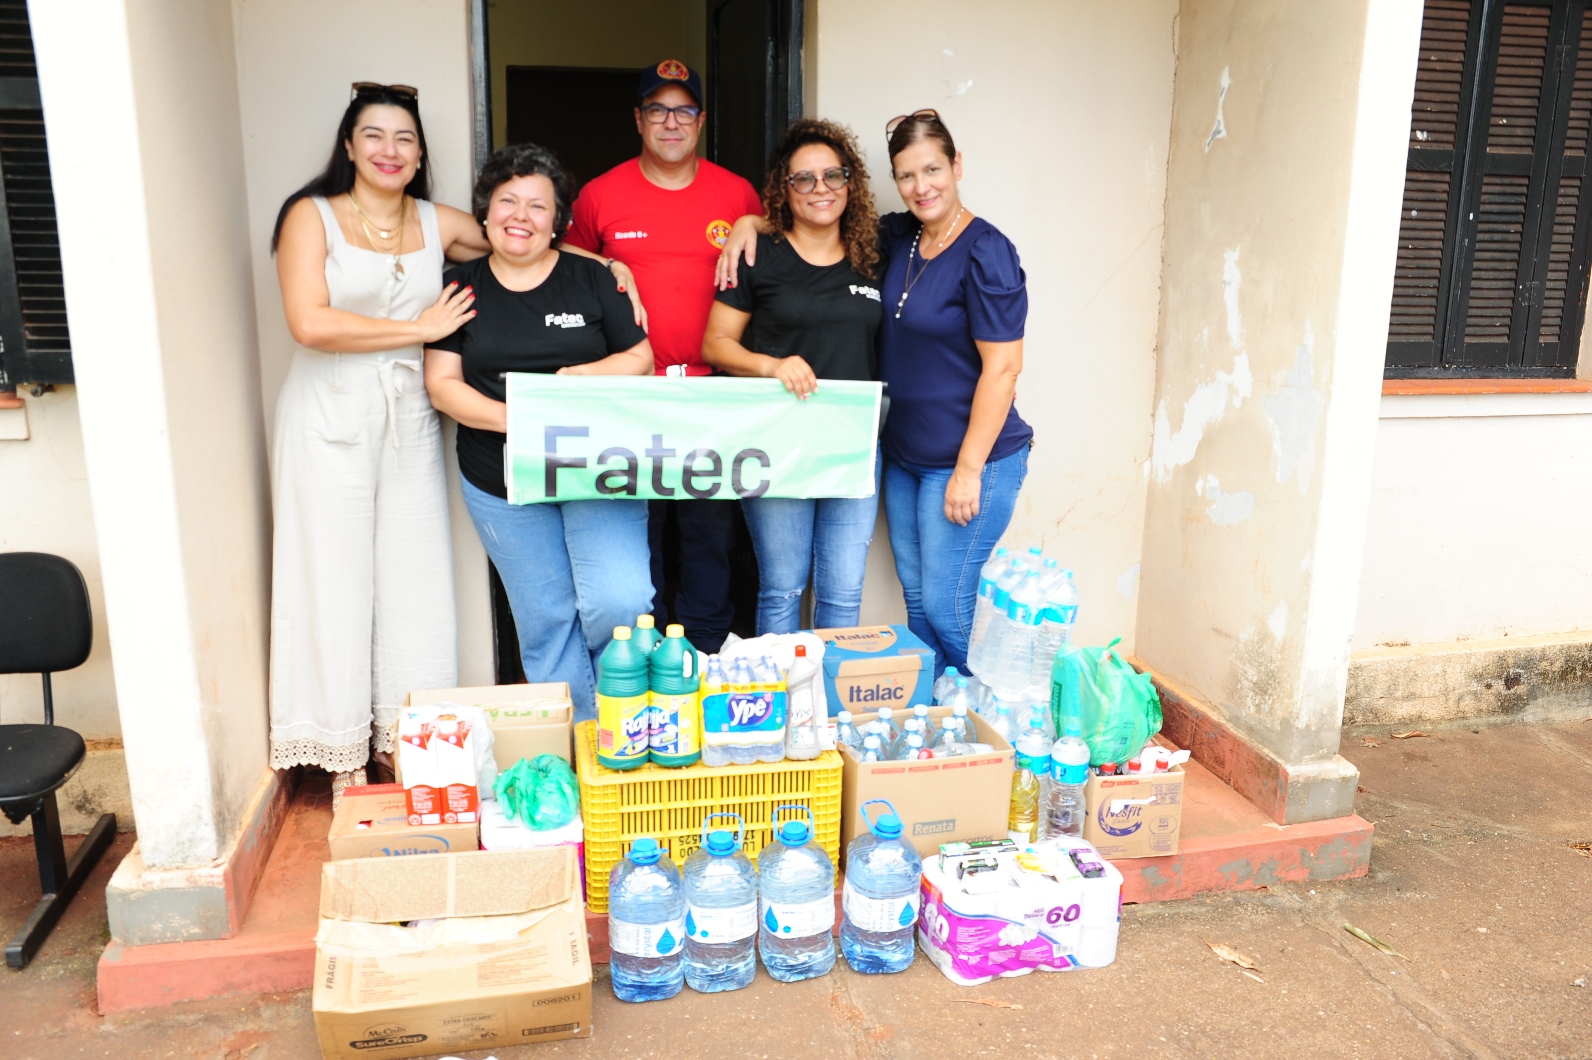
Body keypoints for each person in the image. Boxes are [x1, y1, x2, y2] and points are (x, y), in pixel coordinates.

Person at [718, 110, 1029, 672]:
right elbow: (811, 218)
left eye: (933, 169)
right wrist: (748, 222)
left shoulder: (986, 250)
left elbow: (1004, 368)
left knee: (944, 602)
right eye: (907, 176)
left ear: (957, 166)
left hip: (960, 459)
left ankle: (1002, 708)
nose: (921, 186)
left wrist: (968, 468)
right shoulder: (897, 237)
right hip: (902, 457)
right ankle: (938, 719)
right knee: (917, 598)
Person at [269, 83, 481, 801]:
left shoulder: (436, 220)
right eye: (374, 135)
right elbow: (310, 322)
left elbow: (524, 232)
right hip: (328, 413)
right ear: (351, 145)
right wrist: (418, 331)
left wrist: (603, 265)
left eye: (404, 139)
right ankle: (339, 750)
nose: (390, 150)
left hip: (410, 418)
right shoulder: (312, 216)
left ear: (420, 155)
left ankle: (405, 739)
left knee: (415, 582)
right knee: (333, 576)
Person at [425, 143, 655, 721]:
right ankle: (582, 744)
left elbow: (639, 358)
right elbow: (442, 384)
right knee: (547, 618)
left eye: (537, 205)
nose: (520, 216)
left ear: (558, 222)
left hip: (599, 468)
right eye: (508, 201)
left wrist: (577, 379)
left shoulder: (593, 278)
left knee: (620, 601)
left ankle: (626, 721)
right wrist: (523, 420)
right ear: (485, 212)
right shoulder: (460, 286)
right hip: (500, 478)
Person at [564, 59, 763, 653]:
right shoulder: (601, 194)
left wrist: (756, 217)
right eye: (658, 109)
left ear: (700, 122)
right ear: (638, 119)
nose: (670, 122)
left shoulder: (736, 193)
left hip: (712, 388)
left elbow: (779, 256)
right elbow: (562, 264)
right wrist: (607, 261)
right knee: (636, 533)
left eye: (683, 110)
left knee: (709, 536)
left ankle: (703, 654)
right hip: (632, 392)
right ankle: (643, 656)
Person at [702, 119, 882, 634]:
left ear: (852, 183)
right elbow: (715, 345)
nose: (820, 188)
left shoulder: (875, 254)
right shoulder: (758, 255)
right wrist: (773, 366)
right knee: (782, 585)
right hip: (776, 440)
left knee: (843, 591)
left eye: (833, 175)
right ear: (785, 188)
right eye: (803, 178)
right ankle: (773, 707)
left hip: (854, 440)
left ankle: (823, 710)